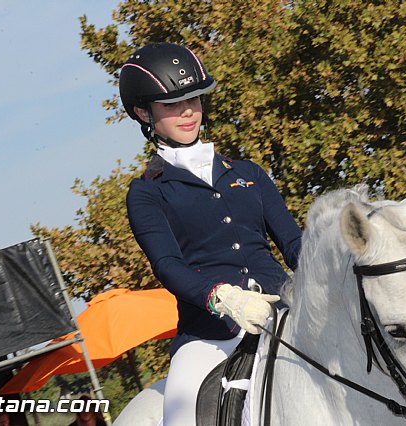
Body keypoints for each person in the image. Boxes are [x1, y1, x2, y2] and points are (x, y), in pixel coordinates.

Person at [119, 42, 302, 426]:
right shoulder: (148, 192)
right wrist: (220, 297)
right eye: (171, 105)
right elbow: (168, 266)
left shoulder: (248, 174)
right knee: (181, 417)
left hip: (285, 315)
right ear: (143, 112)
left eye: (194, 99)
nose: (187, 112)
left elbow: (293, 243)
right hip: (210, 336)